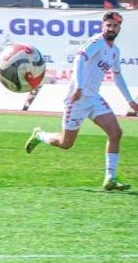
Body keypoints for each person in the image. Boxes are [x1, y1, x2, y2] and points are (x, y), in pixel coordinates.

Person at [26, 11, 138, 191]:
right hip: (77, 98)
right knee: (66, 143)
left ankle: (110, 179)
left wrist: (130, 100)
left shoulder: (115, 51)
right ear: (103, 26)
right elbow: (79, 58)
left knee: (116, 133)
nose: (111, 28)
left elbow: (117, 76)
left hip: (94, 98)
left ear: (119, 28)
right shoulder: (97, 42)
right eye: (108, 25)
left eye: (115, 26)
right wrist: (78, 86)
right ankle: (40, 135)